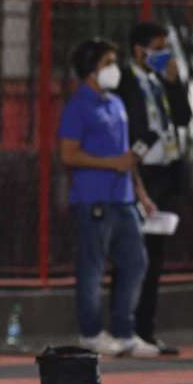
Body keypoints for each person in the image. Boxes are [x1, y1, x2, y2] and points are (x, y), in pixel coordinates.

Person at [58, 38, 160, 359]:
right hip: (94, 198)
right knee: (92, 267)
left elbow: (126, 155)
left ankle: (124, 332)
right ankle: (91, 334)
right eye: (108, 63)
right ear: (91, 69)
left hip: (124, 197)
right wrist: (110, 164)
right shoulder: (78, 106)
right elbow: (69, 154)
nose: (114, 69)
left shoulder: (116, 104)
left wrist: (141, 193)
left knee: (135, 261)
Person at [116, 23, 193, 356]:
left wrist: (175, 82)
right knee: (133, 255)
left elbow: (184, 118)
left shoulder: (162, 80)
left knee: (155, 257)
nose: (164, 55)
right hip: (140, 174)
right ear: (139, 49)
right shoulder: (125, 81)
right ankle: (124, 329)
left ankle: (146, 330)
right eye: (159, 48)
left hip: (166, 174)